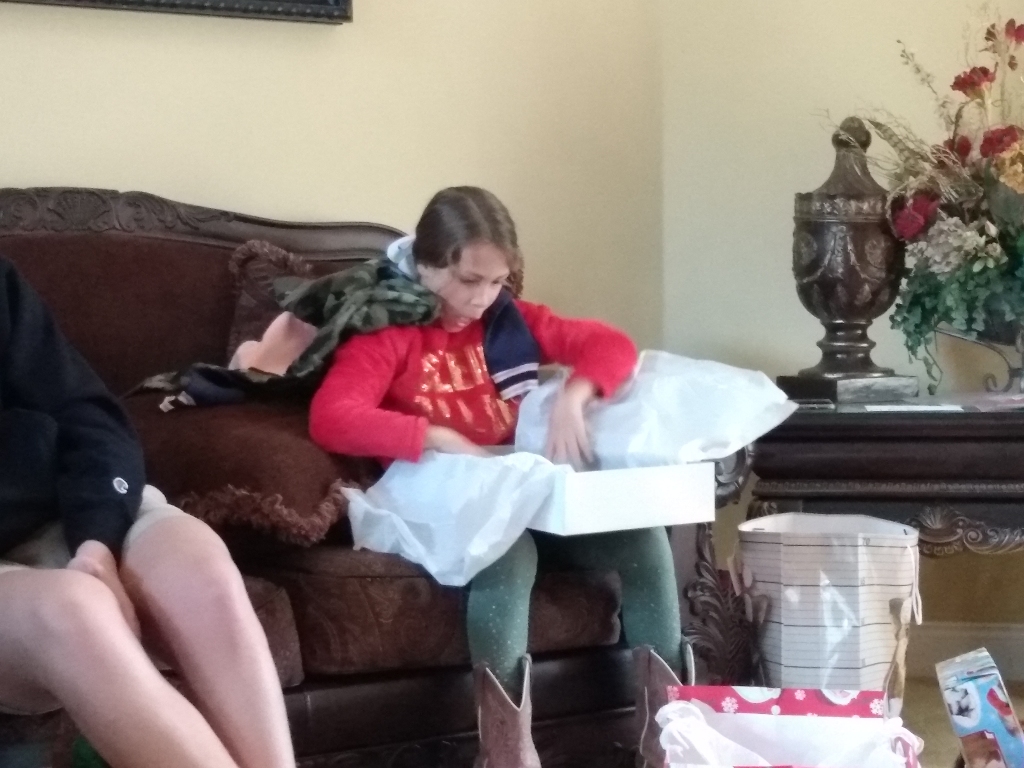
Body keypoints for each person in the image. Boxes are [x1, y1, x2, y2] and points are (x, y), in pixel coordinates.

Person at [308, 186, 687, 768]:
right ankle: (507, 755)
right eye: (468, 281)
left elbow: (610, 345)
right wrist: (434, 435)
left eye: (496, 282)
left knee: (643, 540)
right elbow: (332, 417)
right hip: (441, 495)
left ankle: (671, 743)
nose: (482, 298)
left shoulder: (510, 322)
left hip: (521, 490)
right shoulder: (389, 331)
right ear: (427, 264)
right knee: (507, 552)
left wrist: (575, 395)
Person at [0, 257, 295, 768]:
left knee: (201, 574)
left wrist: (97, 545)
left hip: (73, 506)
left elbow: (88, 414)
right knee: (75, 610)